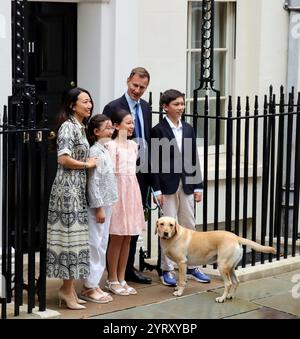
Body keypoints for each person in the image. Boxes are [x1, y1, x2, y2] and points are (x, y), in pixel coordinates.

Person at [151, 89, 210, 286]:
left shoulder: (188, 128)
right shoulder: (158, 130)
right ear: (165, 107)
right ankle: (166, 269)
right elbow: (153, 163)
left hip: (187, 184)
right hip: (166, 187)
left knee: (189, 225)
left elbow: (193, 157)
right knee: (166, 229)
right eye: (176, 104)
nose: (181, 107)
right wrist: (156, 190)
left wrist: (198, 185)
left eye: (182, 104)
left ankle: (192, 267)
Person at [46, 87, 98, 310]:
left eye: (90, 101)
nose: (89, 105)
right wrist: (87, 164)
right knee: (69, 240)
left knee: (76, 241)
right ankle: (66, 290)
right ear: (72, 105)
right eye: (85, 102)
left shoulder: (80, 126)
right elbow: (63, 159)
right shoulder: (68, 127)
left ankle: (69, 289)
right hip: (66, 191)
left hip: (76, 189)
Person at [102, 67, 152, 284]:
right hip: (117, 174)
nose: (138, 91)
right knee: (116, 227)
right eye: (135, 86)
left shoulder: (147, 107)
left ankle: (128, 269)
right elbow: (104, 138)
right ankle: (112, 273)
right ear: (127, 81)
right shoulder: (113, 107)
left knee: (132, 225)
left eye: (142, 87)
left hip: (139, 173)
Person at [105, 109, 146, 295]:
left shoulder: (133, 145)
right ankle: (111, 279)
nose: (132, 126)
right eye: (128, 123)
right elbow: (110, 175)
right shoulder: (110, 146)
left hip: (132, 191)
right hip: (117, 191)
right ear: (116, 125)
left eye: (133, 123)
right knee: (116, 237)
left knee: (128, 236)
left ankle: (122, 278)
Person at [79, 114, 117, 303]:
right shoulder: (94, 151)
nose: (112, 130)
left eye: (112, 127)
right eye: (108, 127)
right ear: (96, 132)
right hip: (98, 206)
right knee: (95, 245)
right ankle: (88, 286)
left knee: (102, 244)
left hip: (106, 204)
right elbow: (93, 183)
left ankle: (94, 283)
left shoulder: (104, 149)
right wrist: (99, 208)